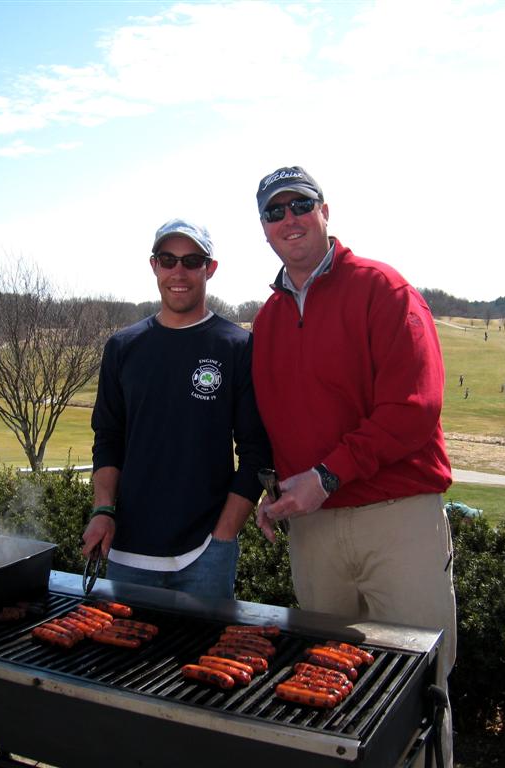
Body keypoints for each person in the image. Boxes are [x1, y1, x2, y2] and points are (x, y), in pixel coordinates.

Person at [250, 166, 457, 767]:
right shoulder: (265, 322)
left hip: (396, 519)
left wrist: (329, 475)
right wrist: (276, 488)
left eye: (300, 205)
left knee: (423, 690)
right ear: (263, 229)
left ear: (325, 211)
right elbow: (275, 426)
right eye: (274, 211)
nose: (289, 218)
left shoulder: (383, 288)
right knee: (329, 692)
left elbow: (414, 408)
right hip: (314, 532)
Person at [81, 218, 271, 599]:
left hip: (205, 556)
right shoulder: (122, 347)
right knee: (127, 658)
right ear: (154, 266)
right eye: (167, 260)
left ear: (209, 268)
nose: (178, 272)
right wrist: (103, 510)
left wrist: (223, 536)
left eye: (191, 260)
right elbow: (108, 438)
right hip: (127, 553)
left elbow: (256, 451)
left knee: (204, 660)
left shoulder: (237, 347)